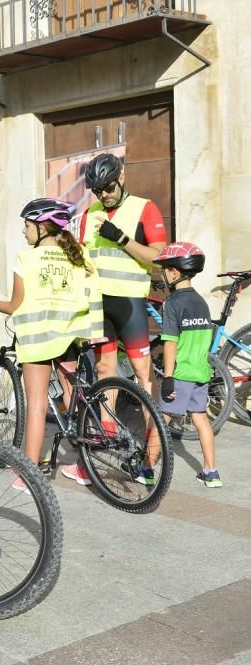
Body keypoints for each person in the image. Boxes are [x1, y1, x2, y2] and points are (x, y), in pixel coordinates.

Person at [0, 199, 102, 490]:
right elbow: (92, 294)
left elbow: (15, 305)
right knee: (75, 399)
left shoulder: (27, 259)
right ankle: (84, 464)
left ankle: (27, 474)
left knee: (36, 403)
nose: (23, 231)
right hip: (71, 336)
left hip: (38, 340)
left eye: (27, 225)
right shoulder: (79, 254)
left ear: (42, 227)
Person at [68, 152, 166, 484]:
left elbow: (159, 259)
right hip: (99, 306)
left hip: (129, 305)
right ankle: (104, 444)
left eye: (108, 187)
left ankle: (151, 458)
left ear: (121, 177)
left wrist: (123, 239)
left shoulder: (144, 207)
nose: (104, 195)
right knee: (104, 371)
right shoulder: (89, 214)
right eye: (97, 190)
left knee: (143, 376)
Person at [153, 242, 220, 487]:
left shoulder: (172, 303)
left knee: (161, 420)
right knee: (201, 418)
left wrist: (168, 377)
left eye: (165, 269)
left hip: (180, 374)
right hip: (201, 371)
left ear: (174, 272)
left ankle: (146, 468)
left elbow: (170, 343)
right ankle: (211, 471)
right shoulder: (200, 302)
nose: (163, 273)